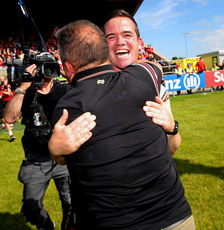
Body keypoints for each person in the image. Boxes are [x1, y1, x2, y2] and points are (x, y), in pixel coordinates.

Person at [50, 19, 195, 230]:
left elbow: (64, 157)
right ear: (105, 51)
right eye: (111, 37)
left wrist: (54, 151)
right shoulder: (143, 77)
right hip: (176, 218)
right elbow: (155, 67)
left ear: (68, 67)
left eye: (127, 35)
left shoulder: (65, 107)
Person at [51, 9, 181, 157]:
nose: (120, 42)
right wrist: (57, 150)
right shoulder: (82, 93)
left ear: (139, 43)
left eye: (127, 35)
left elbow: (172, 150)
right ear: (102, 45)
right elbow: (69, 158)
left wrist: (172, 127)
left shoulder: (158, 90)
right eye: (111, 37)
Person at [4, 66, 71, 230]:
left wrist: (67, 73)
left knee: (71, 204)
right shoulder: (27, 92)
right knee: (31, 206)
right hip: (36, 158)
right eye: (41, 67)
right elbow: (9, 118)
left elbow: (86, 91)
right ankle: (47, 225)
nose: (45, 71)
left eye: (49, 65)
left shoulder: (64, 89)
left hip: (64, 158)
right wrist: (23, 86)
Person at [0, 75, 15, 141]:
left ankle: (11, 134)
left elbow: (9, 93)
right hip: (2, 102)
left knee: (6, 117)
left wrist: (3, 92)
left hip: (7, 101)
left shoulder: (8, 86)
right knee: (4, 119)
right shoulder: (1, 86)